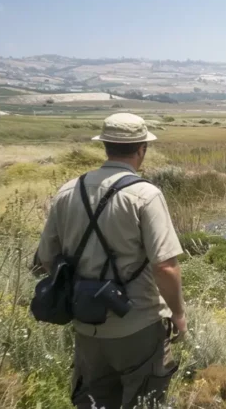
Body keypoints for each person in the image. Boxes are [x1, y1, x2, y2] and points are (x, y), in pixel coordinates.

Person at [37, 113, 187, 408]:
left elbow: (45, 260)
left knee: (94, 400)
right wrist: (179, 314)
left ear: (105, 146)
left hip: (85, 323)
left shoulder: (68, 190)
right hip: (138, 324)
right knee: (144, 399)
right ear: (142, 148)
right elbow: (165, 266)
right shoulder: (145, 194)